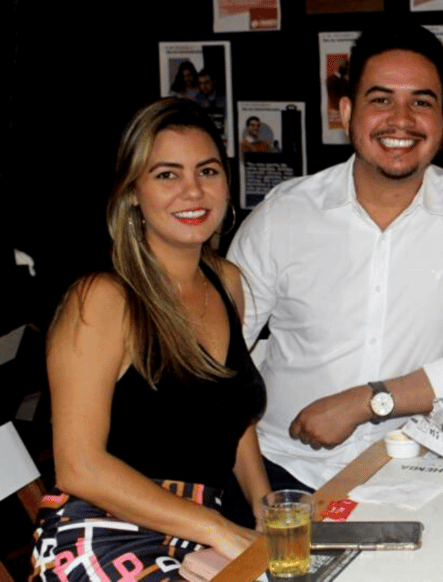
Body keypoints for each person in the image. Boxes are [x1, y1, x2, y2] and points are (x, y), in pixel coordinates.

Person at [227, 21, 443, 493]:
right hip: (283, 467)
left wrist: (366, 401)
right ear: (346, 112)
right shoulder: (283, 214)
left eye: (421, 102)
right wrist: (262, 500)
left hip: (413, 472)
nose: (401, 120)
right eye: (380, 100)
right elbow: (217, 362)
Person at [30, 99, 269, 582]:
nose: (193, 191)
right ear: (132, 192)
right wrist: (220, 529)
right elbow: (78, 467)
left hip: (194, 534)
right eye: (166, 175)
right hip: (100, 531)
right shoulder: (102, 299)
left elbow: (229, 412)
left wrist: (267, 509)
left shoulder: (226, 281)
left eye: (207, 171)